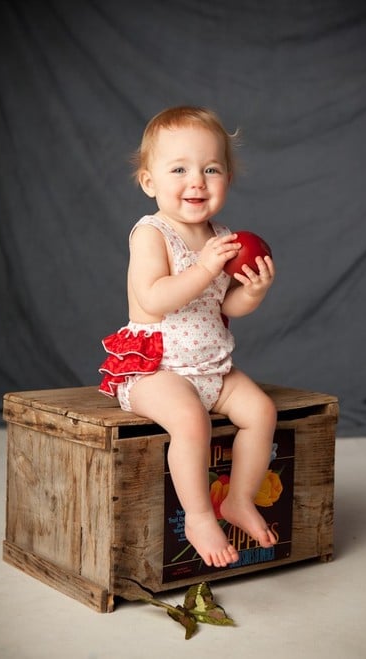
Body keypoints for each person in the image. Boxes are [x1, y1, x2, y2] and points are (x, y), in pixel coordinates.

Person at [99, 106, 277, 568]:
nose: (196, 180)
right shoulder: (151, 234)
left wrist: (251, 292)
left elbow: (224, 305)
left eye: (210, 169)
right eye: (179, 169)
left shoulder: (221, 237)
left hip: (212, 367)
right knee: (191, 420)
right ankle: (199, 515)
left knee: (261, 411)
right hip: (157, 369)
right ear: (149, 182)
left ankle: (238, 498)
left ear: (227, 179)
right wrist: (204, 267)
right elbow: (154, 297)